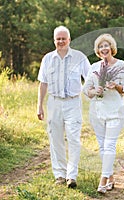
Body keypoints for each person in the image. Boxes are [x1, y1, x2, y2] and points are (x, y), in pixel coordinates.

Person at [37, 25, 90, 188]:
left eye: (63, 38)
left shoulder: (79, 57)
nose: (60, 41)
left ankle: (71, 176)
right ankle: (59, 174)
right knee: (56, 139)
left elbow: (90, 79)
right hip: (54, 102)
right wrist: (39, 106)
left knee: (74, 139)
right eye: (58, 39)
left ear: (69, 40)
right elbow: (43, 83)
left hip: (73, 102)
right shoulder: (47, 59)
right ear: (54, 40)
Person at [83, 33, 124, 194]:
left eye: (106, 45)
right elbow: (86, 90)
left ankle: (103, 180)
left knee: (110, 145)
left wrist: (116, 86)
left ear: (112, 48)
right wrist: (94, 91)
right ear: (98, 51)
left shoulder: (121, 65)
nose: (104, 48)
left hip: (115, 111)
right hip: (97, 111)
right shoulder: (94, 67)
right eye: (100, 46)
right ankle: (110, 178)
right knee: (102, 146)